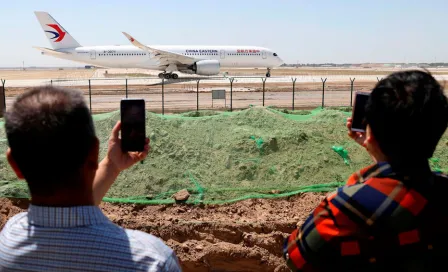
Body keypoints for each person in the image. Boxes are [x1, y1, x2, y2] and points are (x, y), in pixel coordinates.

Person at [0, 86, 182, 271]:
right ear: (94, 153)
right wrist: (110, 164)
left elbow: (66, 213)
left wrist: (112, 165)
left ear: (14, 164)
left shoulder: (8, 240)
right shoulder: (152, 260)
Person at [283, 70, 448, 271]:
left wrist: (375, 146)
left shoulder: (343, 208)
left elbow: (295, 257)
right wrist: (375, 147)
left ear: (371, 134)